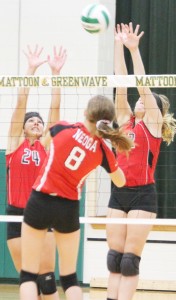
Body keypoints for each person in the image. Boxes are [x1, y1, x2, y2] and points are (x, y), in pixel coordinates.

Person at [19, 94, 134, 300]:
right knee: (70, 278)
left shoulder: (63, 127)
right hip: (68, 207)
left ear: (85, 113)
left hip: (40, 200)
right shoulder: (103, 151)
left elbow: (44, 144)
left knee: (28, 274)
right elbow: (121, 182)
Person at [106, 22, 176, 300]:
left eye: (148, 102)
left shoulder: (153, 127)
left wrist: (134, 50)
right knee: (113, 258)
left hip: (142, 196)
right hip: (117, 192)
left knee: (129, 261)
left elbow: (142, 87)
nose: (141, 102)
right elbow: (122, 87)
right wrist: (117, 43)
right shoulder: (124, 121)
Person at [6, 44, 67, 300]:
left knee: (46, 278)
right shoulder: (14, 144)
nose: (36, 122)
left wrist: (55, 74)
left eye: (39, 122)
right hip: (15, 214)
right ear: (23, 127)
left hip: (42, 210)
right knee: (26, 278)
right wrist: (30, 68)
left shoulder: (45, 146)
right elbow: (21, 103)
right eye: (31, 120)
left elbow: (55, 113)